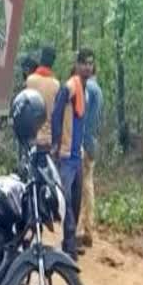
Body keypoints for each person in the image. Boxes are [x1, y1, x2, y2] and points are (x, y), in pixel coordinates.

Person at [51, 48, 94, 261]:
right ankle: (68, 245)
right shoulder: (69, 87)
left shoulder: (85, 91)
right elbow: (57, 112)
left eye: (91, 63)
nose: (88, 67)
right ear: (77, 65)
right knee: (66, 201)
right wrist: (56, 143)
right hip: (66, 155)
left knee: (75, 202)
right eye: (84, 63)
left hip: (77, 155)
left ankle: (70, 242)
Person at [78, 64, 103, 248]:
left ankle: (80, 229)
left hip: (83, 141)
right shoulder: (99, 91)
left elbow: (82, 117)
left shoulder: (88, 88)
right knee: (89, 186)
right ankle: (88, 227)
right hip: (93, 142)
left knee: (80, 187)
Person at [26, 46, 60, 156]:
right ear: (53, 62)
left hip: (30, 137)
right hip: (47, 140)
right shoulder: (56, 85)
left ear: (41, 58)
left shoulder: (30, 81)